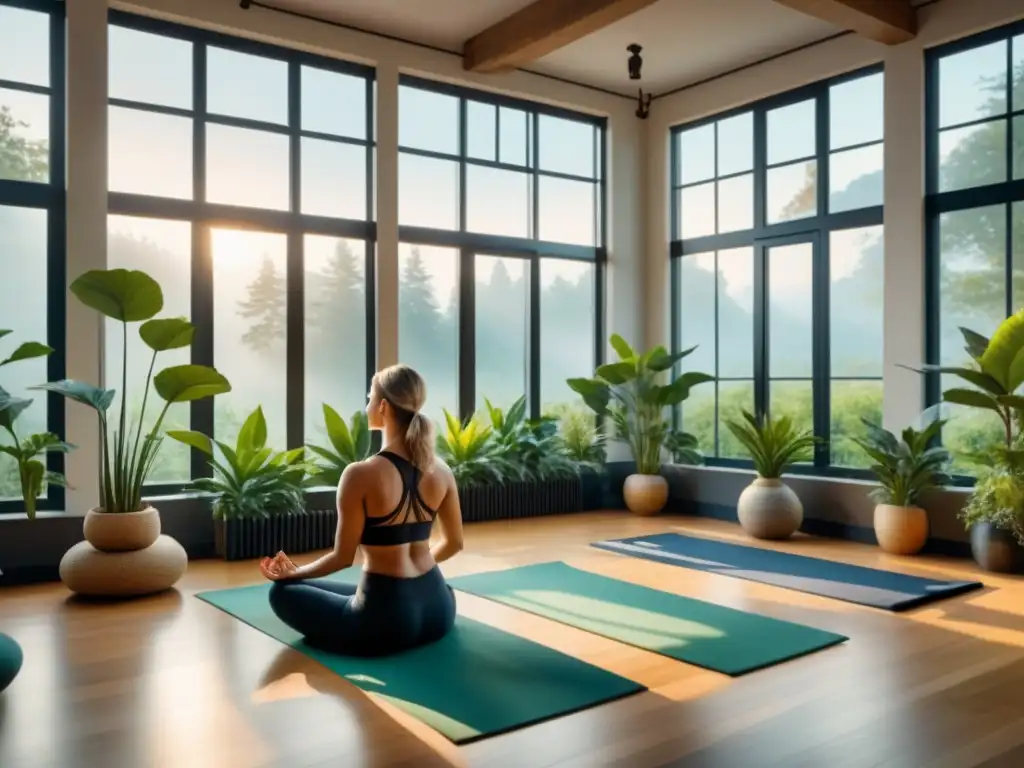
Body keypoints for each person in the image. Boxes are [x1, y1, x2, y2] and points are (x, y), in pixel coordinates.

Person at [259, 364, 464, 656]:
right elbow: (455, 543)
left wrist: (293, 574)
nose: (367, 404)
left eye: (370, 398)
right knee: (329, 586)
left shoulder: (360, 474)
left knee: (283, 593)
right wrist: (417, 577)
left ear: (382, 406)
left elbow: (343, 558)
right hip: (439, 609)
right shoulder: (442, 470)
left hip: (386, 622)